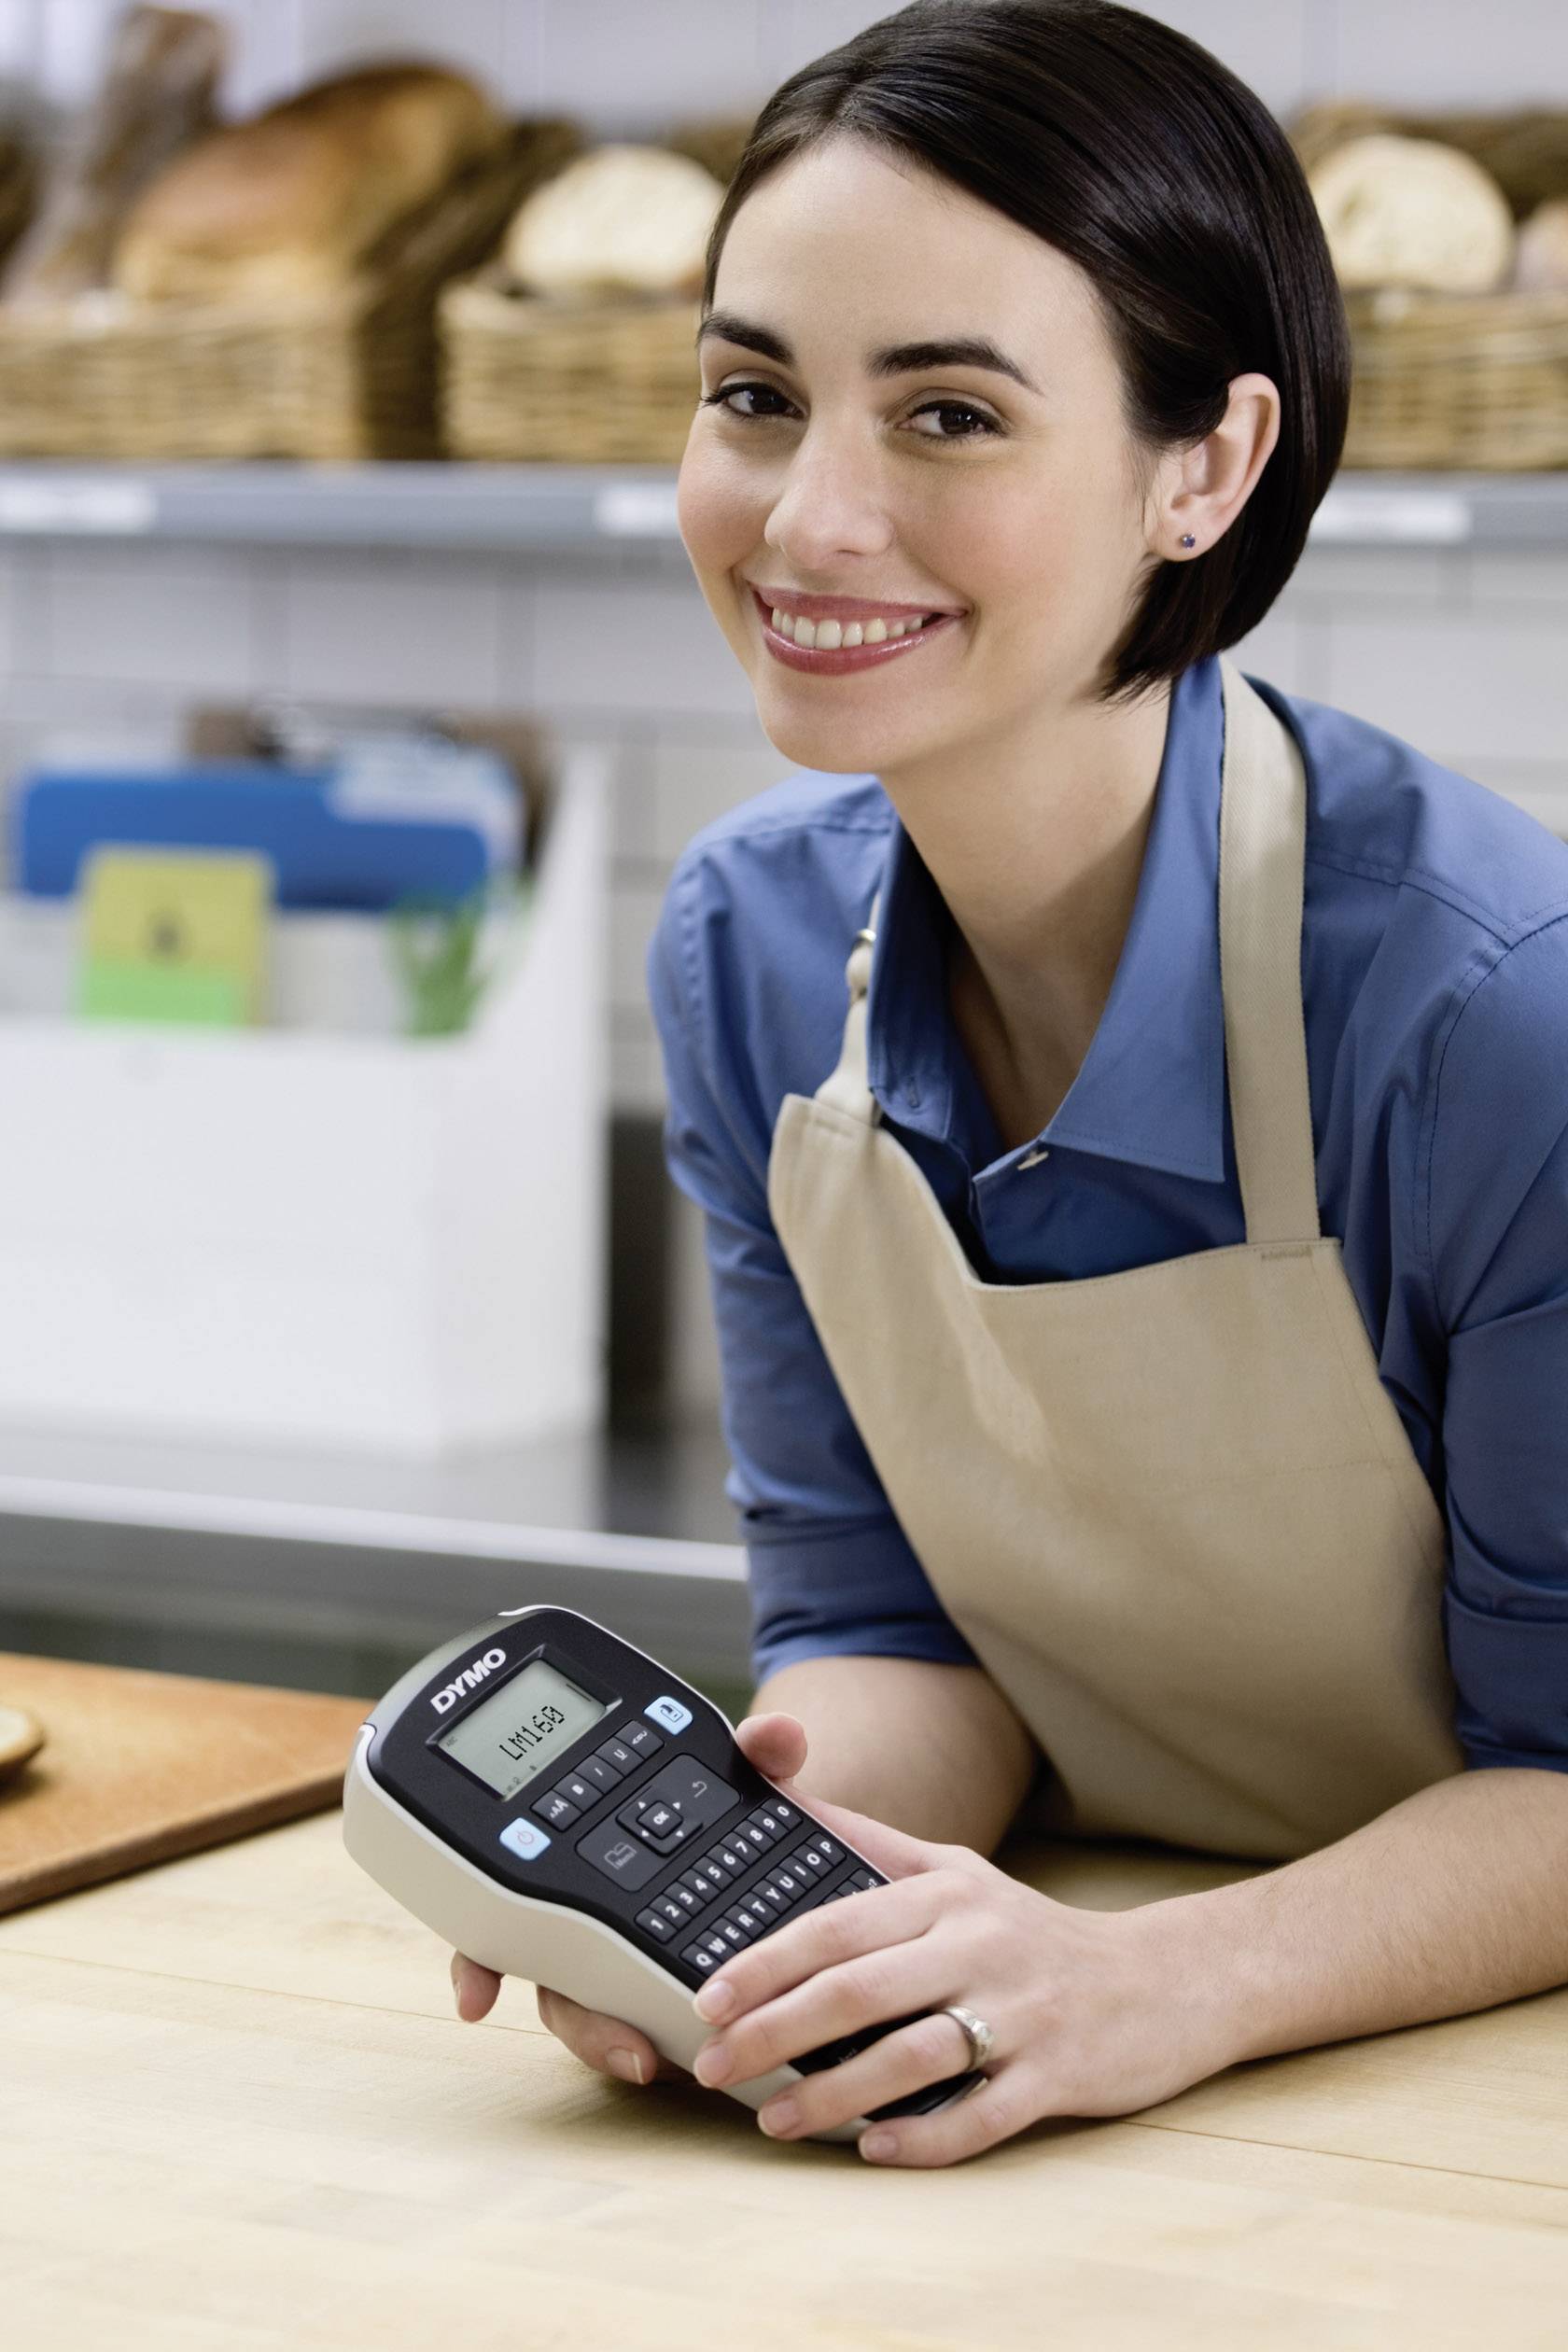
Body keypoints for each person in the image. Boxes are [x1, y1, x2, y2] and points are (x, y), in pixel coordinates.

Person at [453, 0, 1568, 2166]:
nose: (810, 516)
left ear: (1205, 468)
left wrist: (1162, 1985)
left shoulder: (1495, 1021)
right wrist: (756, 1912)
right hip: (1114, 2055)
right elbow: (886, 1631)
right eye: (754, 396)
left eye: (950, 414)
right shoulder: (749, 951)